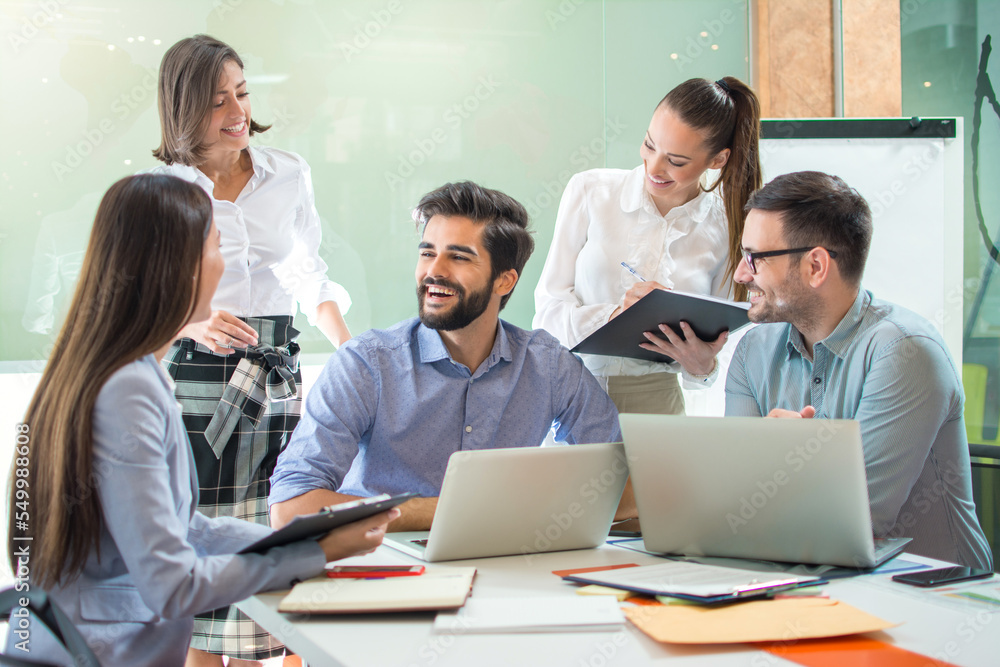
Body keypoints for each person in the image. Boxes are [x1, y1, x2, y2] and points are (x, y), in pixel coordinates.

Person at [5, 174, 398, 667]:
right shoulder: (126, 391)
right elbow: (172, 585)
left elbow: (186, 529)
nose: (227, 263)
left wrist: (309, 538)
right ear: (181, 268)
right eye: (217, 246)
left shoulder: (127, 369)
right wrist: (311, 556)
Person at [149, 35, 353, 665]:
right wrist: (194, 322)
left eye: (242, 92)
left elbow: (307, 273)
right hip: (199, 383)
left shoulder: (287, 171)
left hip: (278, 377)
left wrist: (348, 352)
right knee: (209, 557)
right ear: (184, 108)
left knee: (280, 540)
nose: (238, 111)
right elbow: (139, 296)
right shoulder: (162, 188)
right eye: (218, 100)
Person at [269, 181, 627, 531]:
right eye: (427, 253)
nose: (433, 271)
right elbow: (291, 507)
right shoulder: (365, 363)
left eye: (458, 257)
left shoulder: (548, 366)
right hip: (381, 567)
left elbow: (621, 486)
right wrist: (452, 511)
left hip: (502, 569)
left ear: (504, 281)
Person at [724, 170, 992, 570]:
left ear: (816, 266)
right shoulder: (752, 351)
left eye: (754, 258)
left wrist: (789, 463)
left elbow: (857, 523)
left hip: (933, 594)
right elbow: (736, 505)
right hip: (808, 581)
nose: (741, 274)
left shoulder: (906, 353)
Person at [533, 76, 762, 415]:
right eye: (649, 145)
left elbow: (724, 360)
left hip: (661, 408)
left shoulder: (728, 226)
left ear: (717, 160)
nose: (654, 167)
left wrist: (702, 365)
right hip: (572, 396)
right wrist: (615, 316)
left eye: (676, 161)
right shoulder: (590, 191)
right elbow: (547, 315)